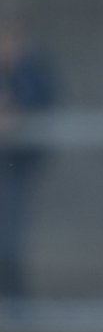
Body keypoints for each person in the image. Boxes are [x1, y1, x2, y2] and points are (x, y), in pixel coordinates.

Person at [0, 17, 57, 301]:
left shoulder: (32, 71)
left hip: (16, 168)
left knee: (9, 242)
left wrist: (14, 114)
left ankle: (16, 308)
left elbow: (31, 108)